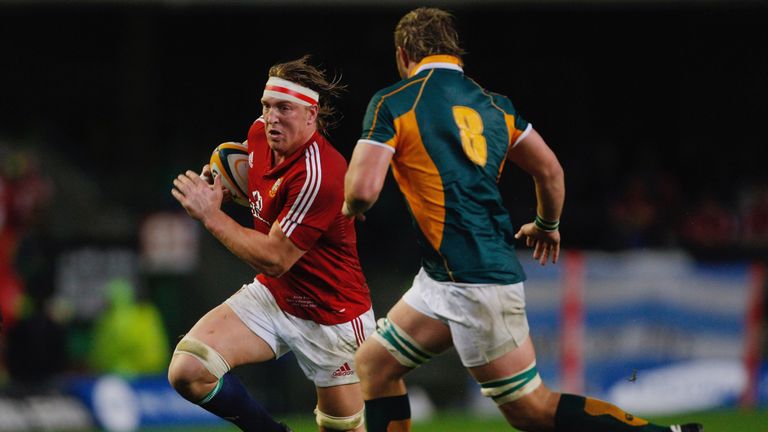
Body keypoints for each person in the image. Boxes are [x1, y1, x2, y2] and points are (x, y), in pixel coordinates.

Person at [343, 7, 703, 432]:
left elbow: (362, 190)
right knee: (376, 364)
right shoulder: (496, 105)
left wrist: (350, 208)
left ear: (403, 54)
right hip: (446, 277)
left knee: (532, 409)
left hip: (474, 280)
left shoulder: (395, 101)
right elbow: (550, 170)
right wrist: (547, 225)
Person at [169, 56, 374, 432]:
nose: (272, 118)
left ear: (311, 114)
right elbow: (258, 184)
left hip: (331, 315)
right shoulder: (259, 135)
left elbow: (276, 258)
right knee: (189, 370)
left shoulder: (319, 173)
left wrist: (211, 215)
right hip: (275, 297)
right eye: (267, 106)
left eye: (284, 108)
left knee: (341, 427)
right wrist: (223, 188)